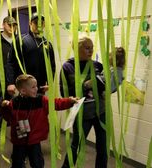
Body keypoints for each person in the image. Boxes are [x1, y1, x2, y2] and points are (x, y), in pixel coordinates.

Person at [1, 74, 78, 168]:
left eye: (36, 86)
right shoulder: (14, 103)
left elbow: (56, 103)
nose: (36, 89)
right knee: (17, 162)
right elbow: (7, 118)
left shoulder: (41, 100)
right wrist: (4, 107)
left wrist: (69, 101)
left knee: (37, 163)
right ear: (23, 91)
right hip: (19, 140)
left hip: (34, 140)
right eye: (33, 87)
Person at [60, 36, 107, 168]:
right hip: (82, 114)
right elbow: (65, 93)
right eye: (87, 48)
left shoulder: (98, 66)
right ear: (77, 49)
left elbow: (107, 87)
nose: (90, 51)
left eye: (92, 48)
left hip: (100, 112)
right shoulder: (67, 67)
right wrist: (84, 87)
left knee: (103, 147)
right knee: (76, 145)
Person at [6, 12, 56, 96]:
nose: (39, 25)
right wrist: (10, 83)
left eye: (41, 23)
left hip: (40, 87)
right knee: (24, 108)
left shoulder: (47, 44)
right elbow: (11, 62)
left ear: (44, 25)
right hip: (23, 87)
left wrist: (49, 82)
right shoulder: (21, 40)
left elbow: (51, 65)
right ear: (30, 23)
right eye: (36, 23)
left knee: (39, 108)